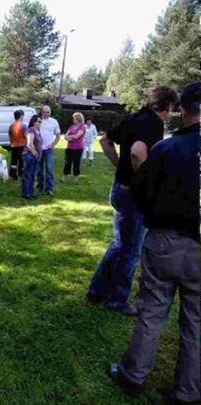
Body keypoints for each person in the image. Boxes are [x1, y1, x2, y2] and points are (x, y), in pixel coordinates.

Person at [108, 81, 200, 404]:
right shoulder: (164, 146)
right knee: (196, 321)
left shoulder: (167, 148)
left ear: (184, 111)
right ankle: (189, 391)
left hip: (166, 241)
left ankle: (133, 376)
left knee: (152, 312)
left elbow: (142, 193)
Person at [87, 85, 179, 316]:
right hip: (133, 195)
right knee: (131, 251)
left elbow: (105, 142)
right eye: (171, 109)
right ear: (168, 106)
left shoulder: (134, 117)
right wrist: (145, 179)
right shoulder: (154, 123)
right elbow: (138, 152)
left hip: (119, 189)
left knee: (119, 244)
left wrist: (119, 165)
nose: (170, 113)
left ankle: (96, 291)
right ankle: (116, 301)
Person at [37, 105, 61, 196]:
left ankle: (49, 189)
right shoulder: (38, 121)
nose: (47, 114)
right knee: (39, 170)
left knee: (49, 169)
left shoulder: (54, 122)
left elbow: (58, 136)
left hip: (49, 150)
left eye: (49, 112)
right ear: (42, 112)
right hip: (38, 149)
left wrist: (52, 145)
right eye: (45, 112)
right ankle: (40, 187)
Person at [21, 114, 42, 200]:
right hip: (29, 155)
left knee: (32, 175)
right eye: (39, 121)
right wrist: (35, 153)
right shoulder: (31, 130)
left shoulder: (38, 130)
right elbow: (30, 144)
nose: (41, 122)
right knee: (28, 175)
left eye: (41, 121)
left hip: (35, 156)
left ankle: (30, 192)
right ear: (34, 122)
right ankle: (26, 193)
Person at [61, 112, 86, 185]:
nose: (72, 119)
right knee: (67, 163)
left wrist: (70, 137)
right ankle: (63, 178)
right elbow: (65, 136)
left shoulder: (82, 127)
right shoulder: (71, 127)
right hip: (69, 148)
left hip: (78, 149)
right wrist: (70, 138)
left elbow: (77, 136)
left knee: (76, 163)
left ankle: (75, 180)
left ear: (78, 118)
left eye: (73, 118)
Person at [8, 110, 28, 180]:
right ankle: (20, 174)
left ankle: (13, 175)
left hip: (14, 146)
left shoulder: (11, 125)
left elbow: (10, 136)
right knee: (21, 161)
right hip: (21, 146)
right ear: (21, 116)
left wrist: (11, 144)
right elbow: (26, 137)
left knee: (14, 161)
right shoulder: (23, 125)